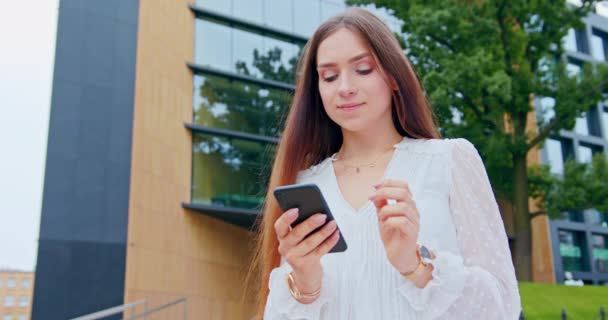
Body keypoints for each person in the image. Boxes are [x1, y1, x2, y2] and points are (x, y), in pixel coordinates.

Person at [249, 7, 521, 320]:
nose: (345, 87)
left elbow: (503, 306)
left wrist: (416, 266)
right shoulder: (306, 183)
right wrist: (305, 282)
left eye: (363, 69)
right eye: (329, 76)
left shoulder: (449, 161)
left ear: (392, 76)